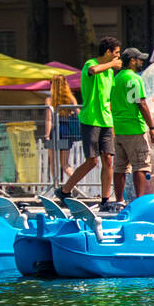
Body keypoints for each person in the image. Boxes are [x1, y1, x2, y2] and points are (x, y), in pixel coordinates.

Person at [54, 37, 121, 209]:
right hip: (90, 119)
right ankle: (65, 190)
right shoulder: (90, 64)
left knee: (108, 160)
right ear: (107, 52)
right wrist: (112, 65)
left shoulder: (111, 73)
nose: (118, 57)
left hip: (106, 120)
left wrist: (112, 125)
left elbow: (109, 99)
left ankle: (105, 200)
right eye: (116, 53)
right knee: (92, 161)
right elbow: (94, 70)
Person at [111, 47, 154, 205]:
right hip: (135, 128)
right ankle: (140, 203)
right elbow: (142, 103)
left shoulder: (116, 79)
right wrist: (151, 127)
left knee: (120, 167)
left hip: (119, 129)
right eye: (139, 59)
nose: (141, 62)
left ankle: (119, 201)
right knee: (141, 165)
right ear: (132, 61)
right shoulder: (135, 78)